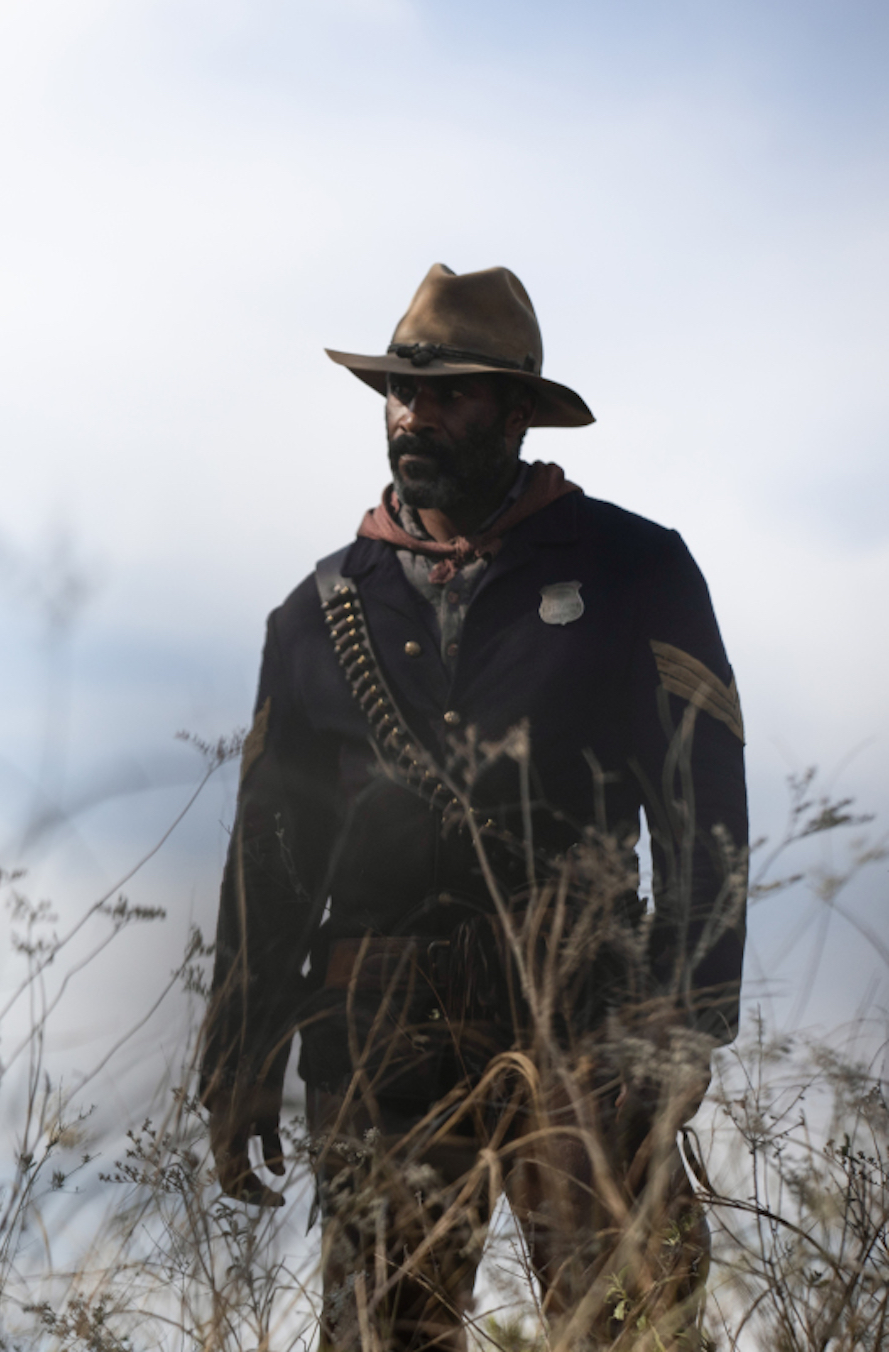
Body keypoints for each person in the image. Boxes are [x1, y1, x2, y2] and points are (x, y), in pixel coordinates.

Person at [197, 264, 746, 1350]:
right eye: (402, 391)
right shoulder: (315, 613)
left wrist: (686, 1021)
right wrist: (239, 1054)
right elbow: (270, 856)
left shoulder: (636, 568)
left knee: (633, 1328)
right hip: (376, 1026)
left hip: (581, 1004)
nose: (415, 413)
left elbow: (704, 820)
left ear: (516, 410)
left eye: (447, 392)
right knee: (384, 1337)